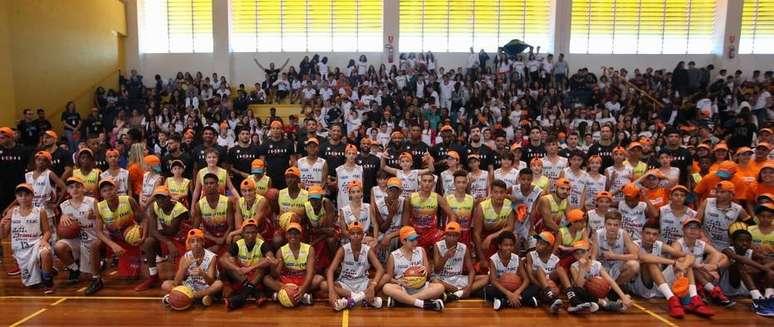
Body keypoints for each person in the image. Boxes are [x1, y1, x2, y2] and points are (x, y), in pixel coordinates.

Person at [634, 222, 714, 318]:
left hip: (660, 286)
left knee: (683, 260)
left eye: (654, 234)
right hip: (642, 288)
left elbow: (689, 256)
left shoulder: (659, 245)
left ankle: (694, 298)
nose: (651, 237)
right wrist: (674, 263)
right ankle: (672, 299)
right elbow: (644, 258)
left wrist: (683, 266)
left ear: (658, 236)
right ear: (641, 233)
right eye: (647, 233)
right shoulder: (635, 244)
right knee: (651, 262)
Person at [92, 178, 144, 294]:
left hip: (130, 237)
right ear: (101, 194)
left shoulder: (128, 200)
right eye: (105, 190)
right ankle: (96, 279)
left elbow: (144, 219)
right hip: (113, 238)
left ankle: (134, 258)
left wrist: (142, 237)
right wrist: (113, 245)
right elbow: (99, 232)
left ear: (116, 189)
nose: (108, 192)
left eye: (111, 189)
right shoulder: (100, 207)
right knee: (95, 245)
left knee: (132, 277)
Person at [0, 184, 54, 293]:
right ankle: (40, 270)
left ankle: (48, 282)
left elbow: (47, 231)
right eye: (20, 195)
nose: (23, 198)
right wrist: (1, 226)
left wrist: (44, 240)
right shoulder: (12, 212)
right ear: (16, 197)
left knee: (46, 252)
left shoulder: (40, 211)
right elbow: (3, 235)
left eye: (26, 195)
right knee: (31, 285)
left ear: (32, 196)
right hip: (20, 249)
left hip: (35, 244)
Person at [670, 218, 735, 307]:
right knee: (687, 263)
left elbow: (724, 257)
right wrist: (701, 267)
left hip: (695, 277)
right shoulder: (677, 244)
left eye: (696, 228)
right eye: (690, 227)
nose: (693, 230)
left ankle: (701, 289)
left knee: (717, 255)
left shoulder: (701, 243)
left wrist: (715, 266)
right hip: (678, 276)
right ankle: (712, 290)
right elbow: (680, 263)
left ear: (699, 231)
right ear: (683, 230)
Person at [136, 186, 190, 291]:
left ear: (169, 198)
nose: (159, 200)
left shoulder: (179, 209)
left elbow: (172, 231)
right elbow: (152, 230)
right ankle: (153, 277)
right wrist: (168, 243)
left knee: (184, 275)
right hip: (168, 238)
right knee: (148, 242)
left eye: (162, 198)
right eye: (157, 198)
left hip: (181, 239)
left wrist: (166, 239)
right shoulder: (154, 206)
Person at [322, 221, 385, 311]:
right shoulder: (343, 250)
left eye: (358, 233)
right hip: (345, 284)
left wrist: (372, 286)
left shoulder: (368, 250)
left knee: (385, 278)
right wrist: (332, 291)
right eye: (352, 233)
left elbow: (380, 269)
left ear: (363, 235)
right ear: (349, 235)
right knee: (324, 285)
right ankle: (360, 298)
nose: (355, 236)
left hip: (363, 283)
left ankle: (349, 301)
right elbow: (330, 270)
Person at [380, 226, 446, 311]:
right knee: (386, 287)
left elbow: (428, 274)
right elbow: (389, 278)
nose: (415, 242)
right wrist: (398, 282)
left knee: (440, 287)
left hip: (421, 288)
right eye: (412, 240)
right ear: (403, 241)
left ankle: (402, 301)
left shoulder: (421, 250)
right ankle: (423, 303)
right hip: (403, 289)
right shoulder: (393, 255)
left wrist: (425, 270)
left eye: (416, 239)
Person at [221, 219, 276, 310]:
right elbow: (222, 259)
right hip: (242, 274)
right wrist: (236, 269)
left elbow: (270, 259)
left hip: (256, 274)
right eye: (247, 233)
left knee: (263, 267)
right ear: (242, 233)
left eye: (253, 232)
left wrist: (251, 268)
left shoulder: (263, 244)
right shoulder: (238, 244)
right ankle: (257, 293)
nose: (250, 236)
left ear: (257, 232)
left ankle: (240, 298)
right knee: (229, 266)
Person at [161, 229, 224, 308]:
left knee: (219, 284)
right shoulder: (185, 257)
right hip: (191, 286)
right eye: (192, 241)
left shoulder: (212, 257)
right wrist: (184, 268)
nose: (196, 244)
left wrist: (203, 274)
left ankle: (188, 297)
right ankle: (198, 298)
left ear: (203, 242)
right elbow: (176, 282)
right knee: (165, 284)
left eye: (198, 241)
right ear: (189, 244)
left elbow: (211, 282)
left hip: (205, 286)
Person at [721, 222, 774, 316]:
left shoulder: (750, 252)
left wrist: (766, 269)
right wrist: (764, 269)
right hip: (730, 287)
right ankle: (757, 299)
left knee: (768, 268)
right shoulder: (727, 250)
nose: (744, 243)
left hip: (744, 289)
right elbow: (739, 258)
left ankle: (769, 297)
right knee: (739, 263)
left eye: (748, 241)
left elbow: (768, 260)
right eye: (740, 240)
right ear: (732, 241)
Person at [264, 222, 322, 307]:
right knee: (266, 279)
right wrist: (273, 266)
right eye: (290, 233)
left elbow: (310, 272)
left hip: (302, 279)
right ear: (286, 235)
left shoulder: (309, 249)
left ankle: (283, 294)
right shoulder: (281, 251)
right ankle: (299, 296)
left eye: (296, 233)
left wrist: (303, 288)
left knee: (319, 279)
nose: (293, 236)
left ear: (301, 235)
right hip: (287, 280)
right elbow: (275, 275)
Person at [55, 177, 99, 284]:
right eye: (71, 187)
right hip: (75, 239)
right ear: (68, 191)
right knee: (58, 246)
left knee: (88, 276)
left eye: (77, 186)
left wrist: (95, 216)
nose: (74, 189)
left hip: (92, 238)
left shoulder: (92, 201)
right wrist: (62, 218)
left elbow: (102, 220)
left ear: (83, 188)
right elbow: (62, 230)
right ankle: (73, 269)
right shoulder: (64, 205)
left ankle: (100, 261)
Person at [569, 240, 632, 313]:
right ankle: (603, 303)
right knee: (576, 291)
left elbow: (610, 281)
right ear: (574, 255)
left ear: (589, 253)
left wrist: (623, 297)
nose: (580, 256)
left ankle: (608, 303)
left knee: (623, 288)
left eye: (583, 252)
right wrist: (582, 269)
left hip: (600, 293)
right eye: (577, 253)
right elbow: (579, 285)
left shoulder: (596, 264)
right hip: (587, 294)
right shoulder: (574, 267)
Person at [431, 222, 488, 301]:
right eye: (449, 235)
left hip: (457, 278)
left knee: (487, 277)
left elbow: (471, 271)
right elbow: (436, 270)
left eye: (454, 235)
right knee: (435, 281)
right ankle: (462, 292)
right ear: (445, 235)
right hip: (443, 279)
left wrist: (469, 286)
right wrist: (446, 257)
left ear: (458, 236)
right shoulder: (438, 246)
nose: (451, 238)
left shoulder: (464, 248)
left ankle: (458, 293)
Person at [402, 172, 457, 253]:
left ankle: (441, 264)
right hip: (416, 233)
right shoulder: (411, 198)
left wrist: (451, 230)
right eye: (424, 181)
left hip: (432, 232)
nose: (427, 183)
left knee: (446, 239)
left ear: (433, 183)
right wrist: (407, 235)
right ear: (420, 182)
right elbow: (405, 223)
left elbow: (452, 215)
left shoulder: (437, 197)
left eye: (429, 181)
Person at [483, 231, 539, 310]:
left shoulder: (517, 259)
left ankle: (504, 302)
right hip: (502, 289)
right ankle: (525, 300)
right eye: (506, 245)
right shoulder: (493, 259)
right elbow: (494, 281)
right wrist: (508, 293)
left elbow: (526, 280)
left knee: (535, 286)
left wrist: (517, 292)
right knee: (488, 290)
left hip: (515, 288)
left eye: (511, 245)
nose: (509, 247)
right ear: (500, 246)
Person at [695, 181, 751, 251]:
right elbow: (696, 222)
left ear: (731, 194)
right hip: (706, 242)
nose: (718, 194)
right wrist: (702, 236)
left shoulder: (738, 209)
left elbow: (751, 225)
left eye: (722, 192)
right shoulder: (707, 202)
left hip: (726, 246)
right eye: (717, 191)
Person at [473, 180, 515, 270]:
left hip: (499, 234)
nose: (499, 195)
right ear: (491, 192)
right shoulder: (482, 206)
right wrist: (482, 258)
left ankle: (512, 265)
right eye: (496, 192)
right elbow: (476, 234)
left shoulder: (510, 204)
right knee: (486, 267)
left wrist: (491, 237)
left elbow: (510, 227)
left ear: (505, 193)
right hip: (484, 234)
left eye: (501, 192)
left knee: (515, 238)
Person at [591, 210, 640, 286]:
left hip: (617, 265)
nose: (612, 227)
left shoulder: (624, 234)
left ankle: (613, 288)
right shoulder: (597, 234)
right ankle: (604, 287)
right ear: (604, 224)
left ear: (620, 225)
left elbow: (635, 256)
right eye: (609, 224)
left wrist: (613, 256)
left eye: (615, 225)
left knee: (635, 265)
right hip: (602, 266)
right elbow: (593, 258)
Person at [192, 173, 235, 255]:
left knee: (233, 241)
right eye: (206, 184)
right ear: (203, 186)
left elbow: (231, 226)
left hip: (225, 236)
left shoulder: (227, 202)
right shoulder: (199, 205)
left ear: (217, 185)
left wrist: (222, 239)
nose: (209, 185)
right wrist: (215, 239)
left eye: (212, 183)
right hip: (209, 237)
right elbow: (195, 228)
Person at [525, 231, 567, 314]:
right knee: (539, 270)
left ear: (549, 247)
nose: (537, 245)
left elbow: (558, 279)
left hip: (550, 286)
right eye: (537, 242)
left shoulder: (555, 259)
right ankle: (550, 298)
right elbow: (530, 275)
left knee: (561, 270)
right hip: (536, 285)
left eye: (541, 244)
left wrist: (556, 288)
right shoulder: (531, 255)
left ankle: (572, 295)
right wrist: (542, 287)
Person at [258, 121, 296, 189]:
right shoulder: (265, 144)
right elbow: (261, 163)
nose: (275, 130)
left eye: (278, 128)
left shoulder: (289, 143)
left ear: (281, 130)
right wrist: (262, 178)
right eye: (273, 128)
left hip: (286, 177)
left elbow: (293, 162)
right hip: (270, 178)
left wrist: (292, 176)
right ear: (270, 130)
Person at [373, 177, 405, 261]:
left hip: (398, 233)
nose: (394, 193)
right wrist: (391, 214)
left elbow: (405, 227)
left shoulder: (405, 202)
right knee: (381, 241)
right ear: (386, 191)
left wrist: (390, 236)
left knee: (407, 237)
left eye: (396, 190)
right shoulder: (378, 204)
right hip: (385, 233)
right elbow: (382, 229)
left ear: (400, 192)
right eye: (391, 190)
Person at [338, 180, 378, 247]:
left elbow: (375, 224)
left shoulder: (368, 207)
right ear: (349, 194)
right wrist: (358, 239)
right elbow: (344, 231)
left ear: (362, 193)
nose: (356, 194)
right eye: (353, 192)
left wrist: (375, 239)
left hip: (366, 238)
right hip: (351, 239)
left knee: (373, 245)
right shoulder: (344, 210)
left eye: (358, 191)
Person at [445, 171, 475, 247]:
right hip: (451, 234)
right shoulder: (447, 199)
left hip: (466, 235)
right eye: (458, 182)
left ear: (466, 183)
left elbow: (472, 219)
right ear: (454, 183)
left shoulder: (471, 199)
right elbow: (444, 218)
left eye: (463, 182)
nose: (461, 185)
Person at [336, 144, 363, 210]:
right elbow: (337, 187)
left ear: (356, 155)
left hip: (357, 204)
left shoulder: (360, 169)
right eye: (349, 153)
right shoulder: (338, 170)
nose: (351, 155)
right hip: (343, 203)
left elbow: (362, 187)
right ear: (345, 154)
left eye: (353, 153)